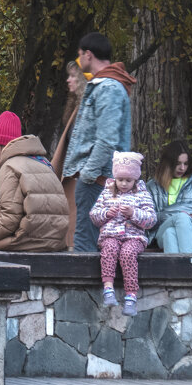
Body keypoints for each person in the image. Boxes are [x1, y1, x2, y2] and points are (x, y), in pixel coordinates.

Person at [63, 32, 136, 252]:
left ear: (88, 54)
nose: (79, 60)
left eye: (79, 55)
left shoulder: (108, 88)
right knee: (90, 242)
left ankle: (83, 288)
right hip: (98, 179)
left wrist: (88, 175)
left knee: (85, 245)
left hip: (98, 180)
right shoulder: (103, 86)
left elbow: (107, 140)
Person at [0, 111, 68, 252]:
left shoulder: (9, 166)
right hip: (56, 241)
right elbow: (34, 208)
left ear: (4, 144)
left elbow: (10, 219)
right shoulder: (43, 162)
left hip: (30, 241)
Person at [90, 151, 156, 316]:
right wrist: (106, 213)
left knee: (127, 253)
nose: (124, 183)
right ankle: (108, 288)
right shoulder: (107, 193)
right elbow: (94, 216)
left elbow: (151, 220)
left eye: (128, 180)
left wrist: (134, 213)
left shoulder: (142, 194)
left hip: (134, 237)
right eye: (120, 180)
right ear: (115, 177)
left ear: (135, 179)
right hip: (111, 235)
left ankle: (131, 295)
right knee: (109, 248)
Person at [50, 60, 88, 249]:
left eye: (73, 76)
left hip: (81, 181)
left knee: (77, 240)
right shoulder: (77, 110)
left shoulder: (86, 111)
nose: (68, 80)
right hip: (73, 180)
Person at [146, 142, 192, 254]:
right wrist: (182, 212)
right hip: (160, 232)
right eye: (178, 163)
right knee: (182, 218)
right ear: (168, 163)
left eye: (186, 163)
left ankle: (177, 270)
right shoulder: (152, 186)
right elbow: (149, 219)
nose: (182, 168)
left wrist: (165, 213)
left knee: (170, 233)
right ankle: (188, 266)